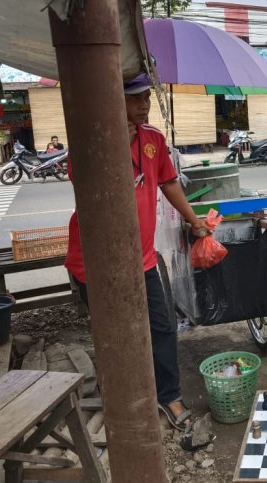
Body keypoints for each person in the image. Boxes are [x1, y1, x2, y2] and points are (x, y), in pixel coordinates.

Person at [64, 72, 208, 430]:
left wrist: (194, 220)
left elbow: (168, 181)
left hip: (141, 259)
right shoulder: (89, 140)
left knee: (162, 327)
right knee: (115, 333)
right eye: (134, 98)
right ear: (113, 101)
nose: (143, 105)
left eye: (146, 97)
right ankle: (125, 400)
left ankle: (168, 396)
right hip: (95, 263)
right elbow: (83, 183)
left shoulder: (152, 140)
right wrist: (112, 143)